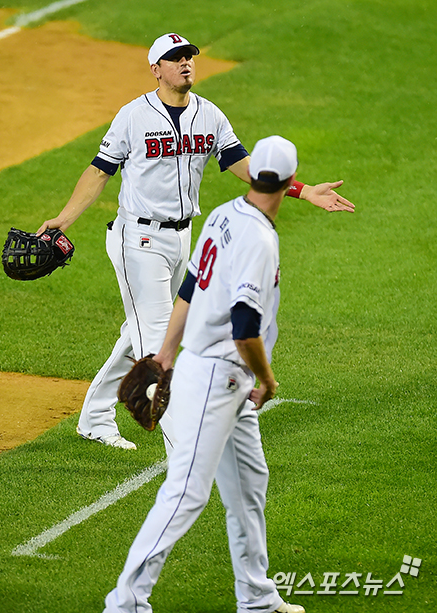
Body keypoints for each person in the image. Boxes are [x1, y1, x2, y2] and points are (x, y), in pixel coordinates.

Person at [37, 32, 354, 450]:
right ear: (156, 69)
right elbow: (99, 171)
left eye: (189, 56)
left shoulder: (209, 115)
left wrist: (302, 189)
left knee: (139, 334)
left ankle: (95, 415)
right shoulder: (133, 116)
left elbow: (243, 165)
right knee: (157, 341)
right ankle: (181, 450)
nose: (185, 63)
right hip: (139, 240)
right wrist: (64, 219)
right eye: (174, 58)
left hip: (182, 239)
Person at [103, 135, 306, 613]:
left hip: (215, 374)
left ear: (254, 173)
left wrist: (167, 352)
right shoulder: (259, 237)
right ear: (291, 182)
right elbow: (244, 328)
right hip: (221, 377)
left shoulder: (223, 214)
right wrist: (268, 379)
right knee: (187, 493)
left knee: (250, 484)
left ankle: (256, 597)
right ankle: (126, 603)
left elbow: (191, 288)